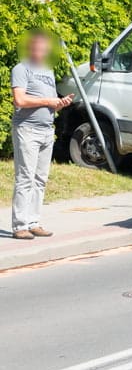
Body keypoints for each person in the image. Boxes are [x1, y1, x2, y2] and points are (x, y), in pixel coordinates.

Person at [10, 30, 73, 240]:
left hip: (47, 130)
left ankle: (33, 222)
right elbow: (19, 100)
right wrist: (48, 102)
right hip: (27, 129)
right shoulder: (21, 69)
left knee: (40, 179)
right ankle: (20, 225)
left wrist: (60, 104)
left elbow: (50, 102)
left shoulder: (47, 71)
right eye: (37, 47)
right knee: (25, 178)